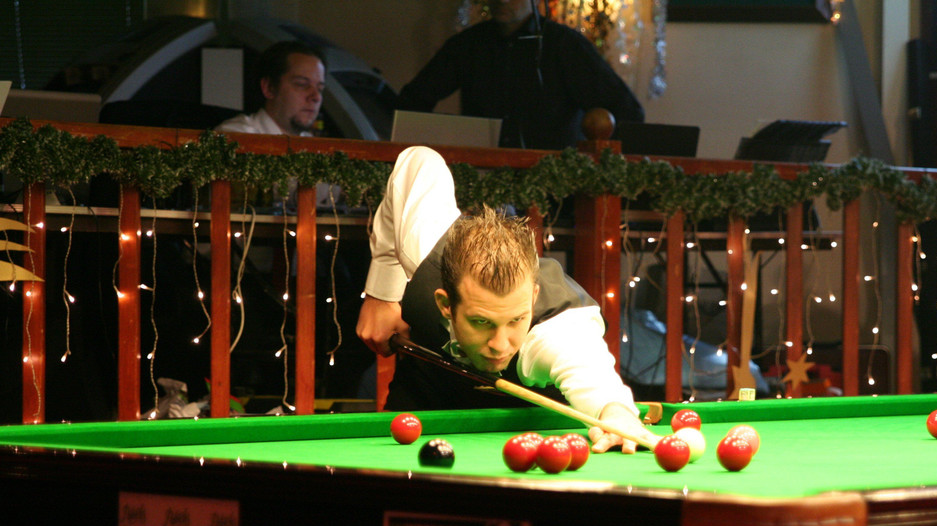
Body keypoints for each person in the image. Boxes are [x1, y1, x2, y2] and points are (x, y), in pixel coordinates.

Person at [356, 146, 653, 453]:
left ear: (533, 297)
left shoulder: (556, 331)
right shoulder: (426, 254)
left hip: (527, 427)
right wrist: (382, 295)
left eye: (515, 320)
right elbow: (418, 162)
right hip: (426, 394)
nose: (500, 344)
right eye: (481, 322)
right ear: (446, 305)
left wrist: (617, 415)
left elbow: (592, 375)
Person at [395, 0, 644, 150]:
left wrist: (588, 169)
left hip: (554, 188)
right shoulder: (469, 45)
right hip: (485, 181)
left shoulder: (564, 45)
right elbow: (412, 101)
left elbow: (626, 111)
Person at [217, 40, 338, 208]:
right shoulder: (236, 134)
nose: (315, 97)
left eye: (320, 88)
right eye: (302, 84)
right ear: (269, 88)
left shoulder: (313, 145)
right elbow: (276, 189)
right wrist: (342, 192)